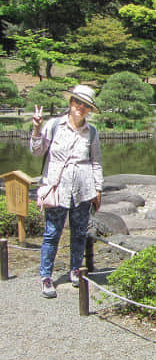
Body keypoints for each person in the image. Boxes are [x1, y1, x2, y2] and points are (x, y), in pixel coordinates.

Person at [30, 85, 103, 298]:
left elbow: (96, 162)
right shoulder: (54, 126)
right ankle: (45, 276)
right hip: (57, 186)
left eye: (86, 105)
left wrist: (98, 188)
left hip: (83, 188)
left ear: (89, 109)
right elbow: (36, 151)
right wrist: (36, 128)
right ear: (70, 103)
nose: (81, 107)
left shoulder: (92, 132)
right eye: (77, 102)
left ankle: (75, 270)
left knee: (79, 232)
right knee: (52, 233)